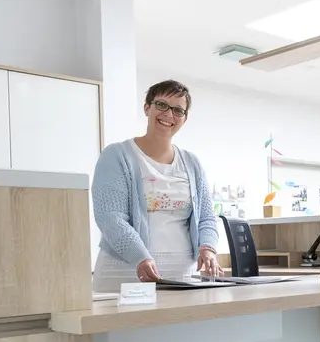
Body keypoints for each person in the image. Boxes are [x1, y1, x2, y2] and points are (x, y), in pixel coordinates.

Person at [91, 79, 222, 292]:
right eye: (161, 105)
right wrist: (140, 257)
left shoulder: (191, 162)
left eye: (178, 110)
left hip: (181, 276)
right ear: (147, 107)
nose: (169, 115)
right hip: (126, 271)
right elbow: (110, 217)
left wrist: (208, 249)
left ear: (184, 119)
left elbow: (206, 217)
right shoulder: (117, 155)